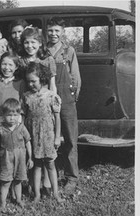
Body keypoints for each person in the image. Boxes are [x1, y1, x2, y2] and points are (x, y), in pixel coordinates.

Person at [20, 26, 57, 195]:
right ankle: (31, 185)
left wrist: (54, 99)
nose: (30, 46)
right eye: (26, 42)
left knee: (47, 157)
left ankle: (48, 184)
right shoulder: (21, 60)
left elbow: (52, 84)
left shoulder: (46, 59)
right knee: (33, 154)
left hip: (45, 101)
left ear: (40, 43)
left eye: (33, 42)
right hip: (28, 101)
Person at [46, 16, 81, 192]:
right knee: (46, 136)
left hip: (66, 97)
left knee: (70, 139)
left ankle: (72, 177)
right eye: (50, 30)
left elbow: (75, 77)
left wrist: (71, 97)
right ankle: (45, 177)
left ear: (62, 32)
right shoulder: (42, 51)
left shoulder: (69, 51)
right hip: (46, 96)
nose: (53, 34)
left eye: (56, 31)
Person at [23, 62, 63, 204]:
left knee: (50, 164)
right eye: (28, 82)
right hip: (33, 135)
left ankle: (56, 193)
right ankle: (37, 194)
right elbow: (23, 117)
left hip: (48, 135)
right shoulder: (26, 96)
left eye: (34, 81)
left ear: (42, 79)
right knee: (37, 165)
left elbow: (57, 118)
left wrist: (57, 136)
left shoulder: (51, 96)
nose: (31, 84)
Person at [0, 98, 33, 209]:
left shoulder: (21, 127)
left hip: (20, 157)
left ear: (19, 115)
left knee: (18, 180)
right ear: (3, 115)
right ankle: (3, 202)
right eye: (9, 115)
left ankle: (18, 199)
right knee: (6, 181)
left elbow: (28, 141)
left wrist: (30, 158)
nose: (12, 118)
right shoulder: (0, 129)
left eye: (15, 115)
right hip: (6, 158)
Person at [0, 52, 25, 134]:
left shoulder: (20, 83)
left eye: (10, 65)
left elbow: (22, 104)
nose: (7, 67)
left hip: (15, 120)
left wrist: (21, 122)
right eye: (4, 64)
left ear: (16, 67)